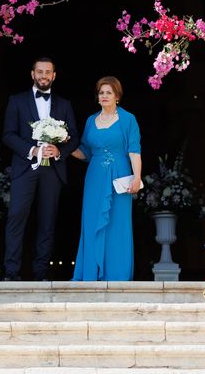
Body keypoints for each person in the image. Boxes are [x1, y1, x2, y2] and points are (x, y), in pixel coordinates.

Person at [2, 57, 79, 281]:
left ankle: (41, 273)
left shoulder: (64, 104)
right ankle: (11, 273)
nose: (44, 75)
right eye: (40, 71)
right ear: (32, 74)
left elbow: (73, 137)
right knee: (16, 218)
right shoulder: (16, 101)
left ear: (54, 76)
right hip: (24, 168)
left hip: (52, 171)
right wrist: (32, 151)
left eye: (48, 72)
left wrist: (60, 151)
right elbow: (8, 135)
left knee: (47, 222)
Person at [71, 76, 142, 281]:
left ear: (117, 96)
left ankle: (117, 275)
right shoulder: (90, 120)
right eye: (101, 92)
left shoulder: (128, 119)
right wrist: (63, 145)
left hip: (120, 175)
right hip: (94, 177)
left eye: (108, 92)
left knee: (118, 225)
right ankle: (92, 273)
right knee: (92, 223)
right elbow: (85, 152)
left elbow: (134, 150)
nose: (104, 96)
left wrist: (137, 177)